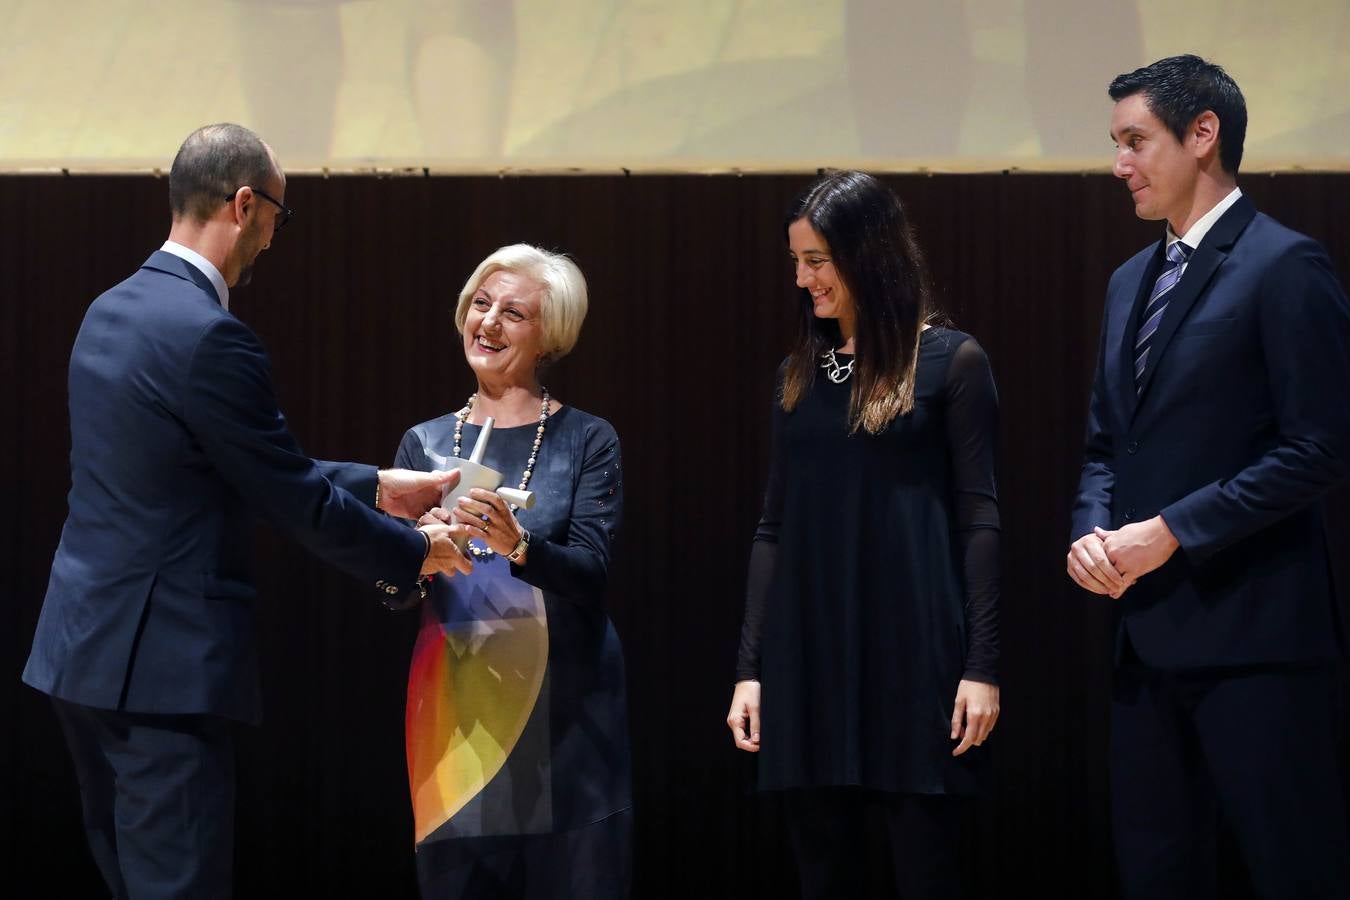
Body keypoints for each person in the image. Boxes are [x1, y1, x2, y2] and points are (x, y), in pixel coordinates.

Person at [21, 123, 473, 900]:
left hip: (80, 656)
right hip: (162, 671)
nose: (272, 239)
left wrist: (374, 484)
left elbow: (199, 466)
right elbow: (287, 495)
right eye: (278, 218)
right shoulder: (211, 337)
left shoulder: (110, 310)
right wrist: (414, 552)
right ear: (244, 204)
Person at [1067, 55, 1350, 899]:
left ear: (1203, 135)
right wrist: (1091, 529)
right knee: (1155, 875)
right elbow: (1104, 444)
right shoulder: (1128, 282)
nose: (1120, 164)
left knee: (1295, 870)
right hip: (1143, 641)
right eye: (1116, 144)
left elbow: (1321, 447)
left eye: (1135, 141)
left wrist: (1173, 530)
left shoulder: (1284, 264)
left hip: (1257, 642)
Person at [726, 171, 1001, 900]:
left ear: (870, 253)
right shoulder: (797, 375)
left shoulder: (953, 363)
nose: (802, 279)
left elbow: (980, 520)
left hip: (917, 663)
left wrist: (983, 665)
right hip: (808, 664)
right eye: (795, 262)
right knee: (825, 878)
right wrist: (749, 669)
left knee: (928, 873)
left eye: (816, 260)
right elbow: (772, 528)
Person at [395, 244, 631, 898]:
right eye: (481, 304)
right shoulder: (425, 445)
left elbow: (593, 572)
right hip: (458, 712)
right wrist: (411, 551)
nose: (489, 322)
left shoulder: (588, 440)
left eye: (514, 313)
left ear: (550, 335)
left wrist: (520, 546)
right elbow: (392, 590)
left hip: (567, 716)